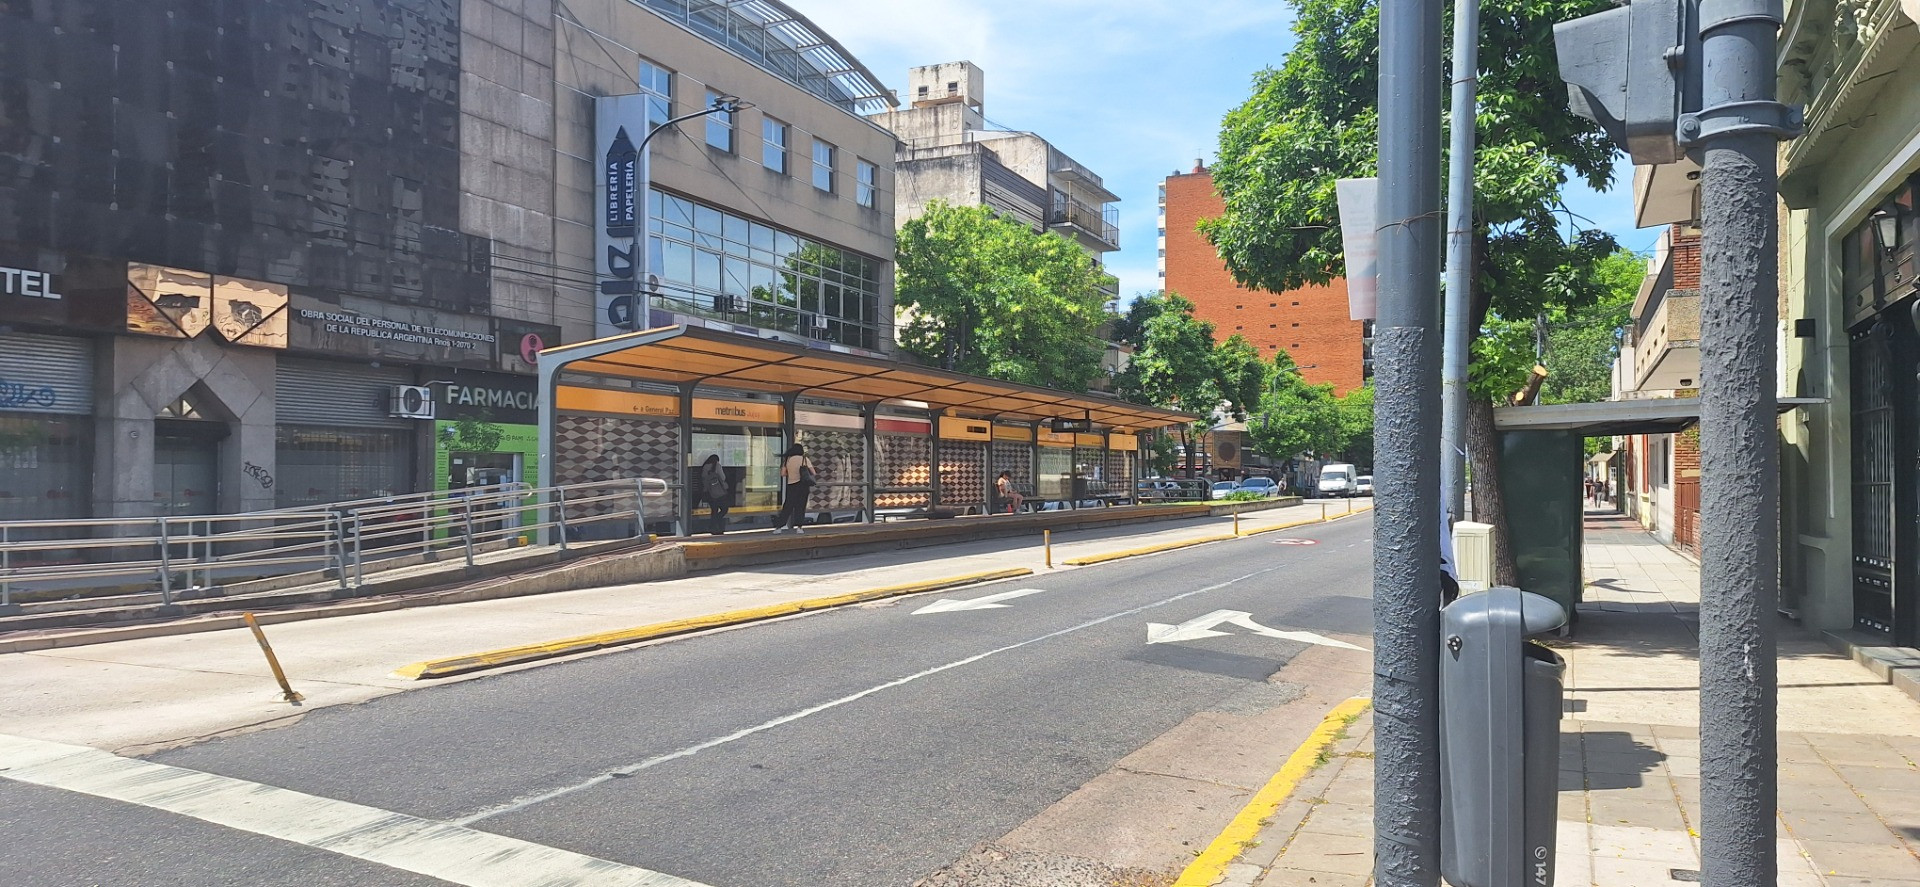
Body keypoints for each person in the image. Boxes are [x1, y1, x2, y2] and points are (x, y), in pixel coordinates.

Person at [773, 443, 816, 534]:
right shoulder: (804, 459)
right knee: (800, 507)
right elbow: (813, 472)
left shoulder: (787, 460)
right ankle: (799, 528)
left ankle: (779, 527)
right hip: (803, 486)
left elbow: (783, 474)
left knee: (788, 506)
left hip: (792, 486)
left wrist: (791, 473)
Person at [699, 454, 730, 535]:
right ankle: (716, 524)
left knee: (714, 510)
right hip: (719, 492)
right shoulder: (717, 466)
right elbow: (723, 477)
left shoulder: (705, 467)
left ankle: (713, 527)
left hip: (709, 493)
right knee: (724, 509)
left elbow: (703, 479)